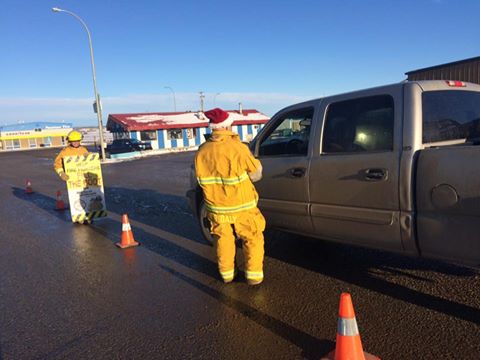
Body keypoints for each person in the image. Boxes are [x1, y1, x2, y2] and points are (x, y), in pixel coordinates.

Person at [195, 108, 266, 285]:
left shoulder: (202, 151)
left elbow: (200, 178)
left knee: (223, 239)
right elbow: (256, 173)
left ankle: (227, 275)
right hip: (242, 205)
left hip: (216, 206)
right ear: (226, 126)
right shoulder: (238, 148)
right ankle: (254, 276)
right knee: (252, 237)